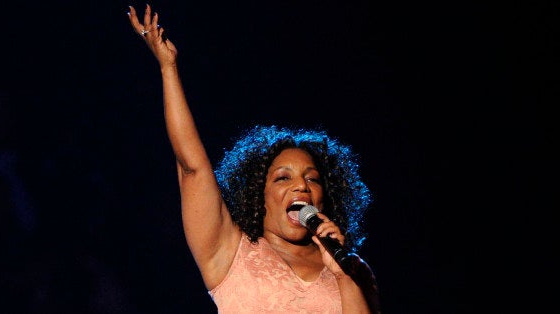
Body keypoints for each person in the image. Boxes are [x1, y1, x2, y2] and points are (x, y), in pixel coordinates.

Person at [127, 4, 380, 313]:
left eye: (312, 178)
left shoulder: (352, 268)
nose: (301, 186)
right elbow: (192, 169)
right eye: (283, 177)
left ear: (326, 198)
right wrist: (169, 69)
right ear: (258, 195)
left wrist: (342, 275)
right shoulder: (230, 250)